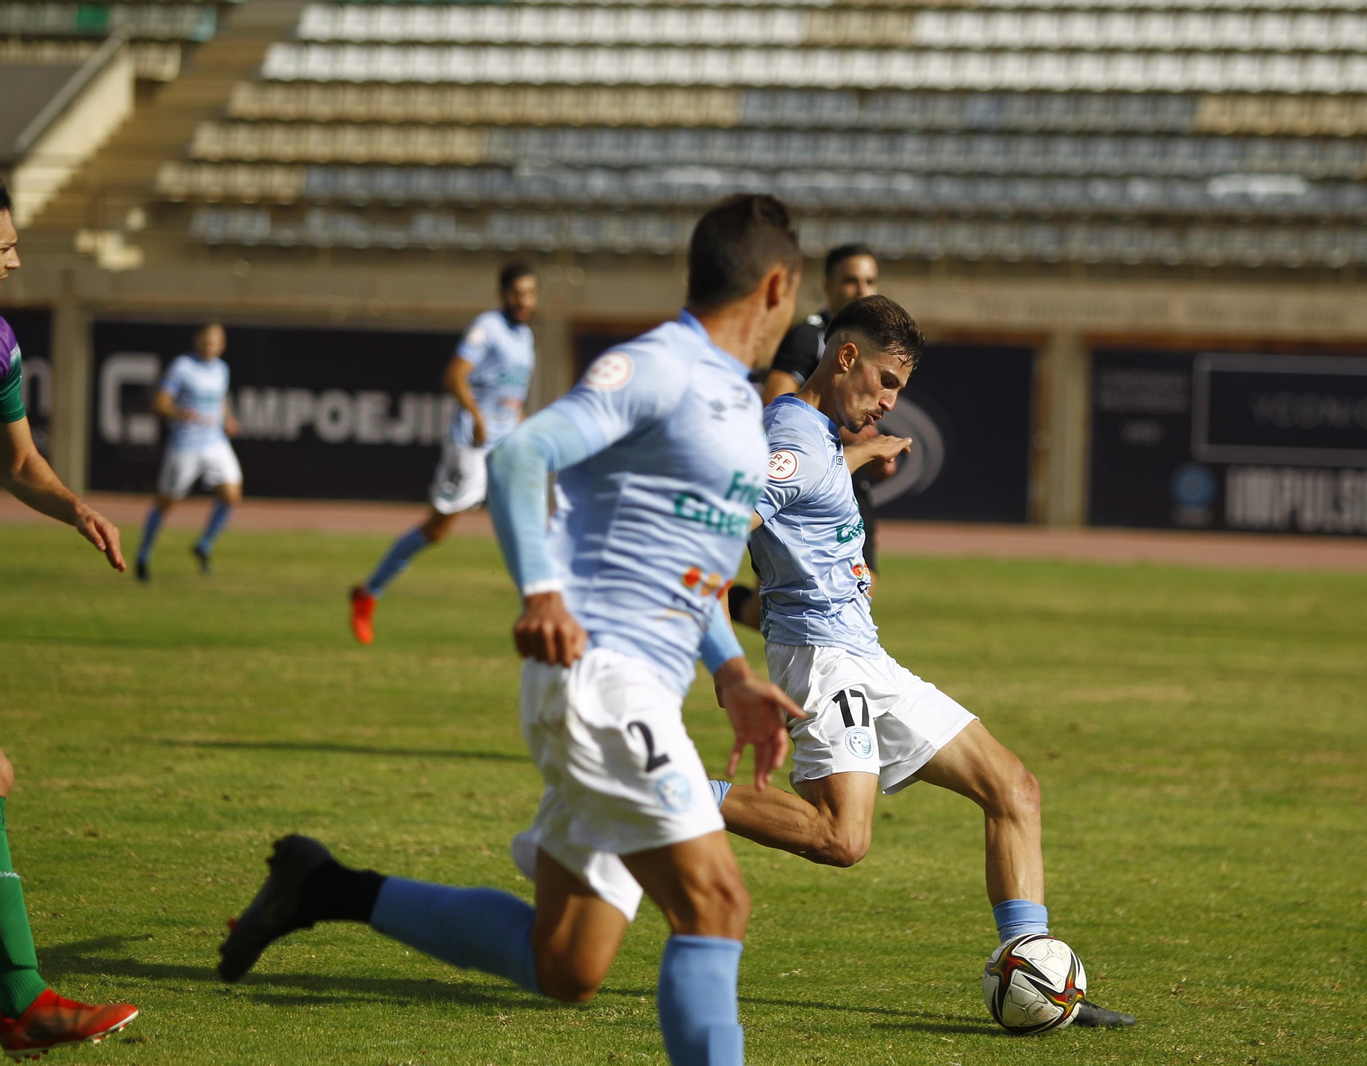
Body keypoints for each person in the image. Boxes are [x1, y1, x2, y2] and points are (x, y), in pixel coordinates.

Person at [218, 194, 806, 1066]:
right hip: (602, 675)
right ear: (777, 285)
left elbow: (693, 573)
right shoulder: (661, 366)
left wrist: (729, 671)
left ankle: (326, 886)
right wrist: (542, 592)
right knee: (717, 902)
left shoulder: (734, 403)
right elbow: (522, 455)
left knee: (568, 962)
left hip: (646, 682)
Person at [707, 294, 1135, 1028]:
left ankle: (1037, 973)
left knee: (1014, 788)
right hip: (823, 660)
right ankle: (667, 789)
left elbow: (806, 479)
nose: (888, 400)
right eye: (885, 382)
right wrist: (723, 659)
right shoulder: (793, 439)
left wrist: (857, 457)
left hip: (865, 656)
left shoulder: (815, 436)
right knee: (842, 839)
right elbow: (720, 525)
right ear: (846, 357)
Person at [0, 181, 139, 1058]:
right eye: (0, 247)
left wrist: (74, 506)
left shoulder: (0, 342)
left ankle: (22, 999)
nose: (14, 261)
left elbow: (17, 461)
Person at [349, 264, 540, 644]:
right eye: (518, 292)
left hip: (506, 446)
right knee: (436, 529)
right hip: (471, 445)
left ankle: (540, 612)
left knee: (528, 523)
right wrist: (475, 414)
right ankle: (368, 593)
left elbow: (512, 396)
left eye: (531, 293)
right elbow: (454, 376)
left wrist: (525, 425)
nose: (525, 300)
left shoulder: (527, 337)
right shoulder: (488, 327)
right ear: (503, 293)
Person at [730, 244, 891, 628]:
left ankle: (731, 608)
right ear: (828, 285)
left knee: (860, 586)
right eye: (850, 280)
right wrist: (857, 443)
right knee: (820, 598)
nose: (861, 289)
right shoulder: (810, 337)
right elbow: (777, 400)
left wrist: (874, 453)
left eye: (869, 281)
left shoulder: (874, 343)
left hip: (849, 484)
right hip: (805, 481)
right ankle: (727, 608)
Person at [133, 322, 242, 582]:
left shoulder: (221, 368)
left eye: (216, 341)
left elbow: (221, 399)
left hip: (215, 443)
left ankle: (204, 544)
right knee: (167, 502)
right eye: (206, 340)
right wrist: (181, 413)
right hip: (186, 445)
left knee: (232, 494)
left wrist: (228, 418)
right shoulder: (182, 367)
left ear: (222, 345)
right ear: (197, 340)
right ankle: (144, 555)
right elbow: (159, 403)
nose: (210, 345)